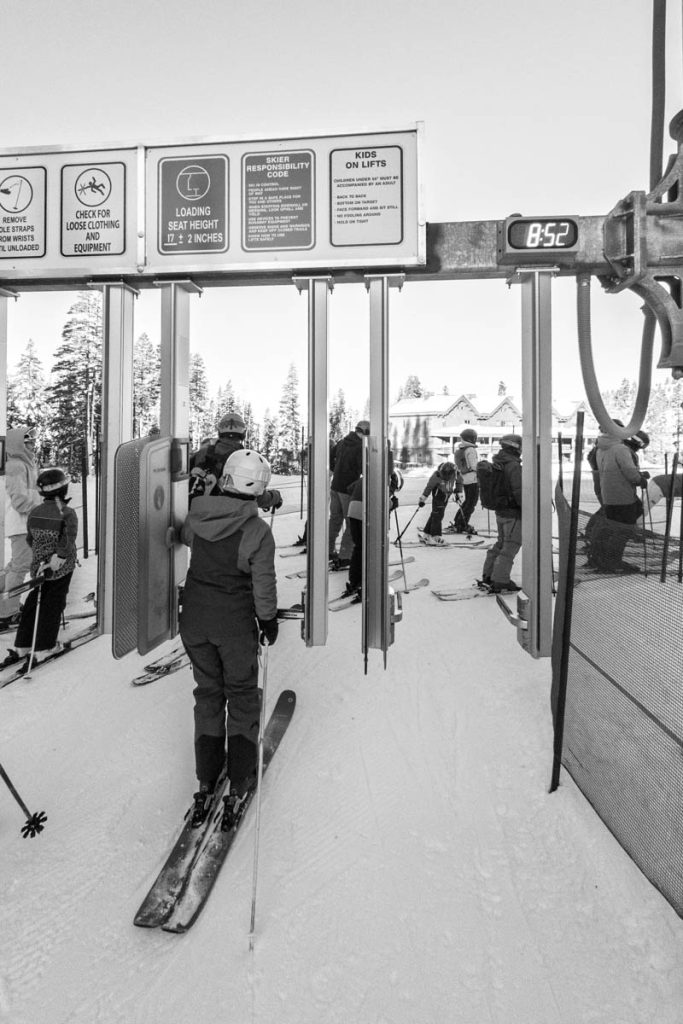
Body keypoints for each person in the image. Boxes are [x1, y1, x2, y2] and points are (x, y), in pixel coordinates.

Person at [179, 448, 279, 830]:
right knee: (241, 694)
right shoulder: (256, 532)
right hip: (234, 627)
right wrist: (267, 620)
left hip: (195, 623)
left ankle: (207, 777)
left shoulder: (197, 518)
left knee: (208, 693)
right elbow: (263, 584)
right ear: (258, 489)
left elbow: (183, 535)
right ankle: (239, 777)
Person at [5, 468, 78, 665]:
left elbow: (30, 538)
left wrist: (41, 555)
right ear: (63, 489)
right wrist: (59, 556)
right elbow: (68, 538)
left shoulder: (35, 512)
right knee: (52, 603)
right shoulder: (67, 513)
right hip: (60, 567)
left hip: (39, 566)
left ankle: (23, 643)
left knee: (34, 600)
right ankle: (44, 646)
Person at [189, 412, 282, 513]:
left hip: (194, 511)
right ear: (243, 433)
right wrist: (275, 497)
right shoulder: (242, 459)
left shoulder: (203, 452)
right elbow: (253, 493)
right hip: (225, 515)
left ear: (220, 431)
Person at [589, 429, 649, 573]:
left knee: (612, 528)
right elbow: (629, 473)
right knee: (623, 530)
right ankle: (613, 562)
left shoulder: (603, 448)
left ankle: (600, 559)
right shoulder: (621, 449)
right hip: (622, 497)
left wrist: (638, 475)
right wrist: (640, 479)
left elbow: (614, 470)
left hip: (609, 496)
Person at [0, 427, 41, 630]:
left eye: (33, 441)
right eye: (28, 442)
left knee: (15, 565)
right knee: (20, 566)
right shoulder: (16, 465)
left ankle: (5, 605)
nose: (33, 445)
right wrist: (42, 507)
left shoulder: (25, 463)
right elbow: (20, 500)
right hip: (21, 523)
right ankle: (7, 613)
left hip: (26, 523)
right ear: (18, 444)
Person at [480, 435, 523, 593]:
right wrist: (526, 508)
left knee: (501, 543)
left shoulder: (498, 462)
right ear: (515, 447)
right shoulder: (513, 466)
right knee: (510, 546)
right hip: (513, 513)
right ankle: (500, 580)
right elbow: (519, 490)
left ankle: (488, 574)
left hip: (501, 512)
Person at [329, 420, 369, 568]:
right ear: (364, 432)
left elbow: (330, 456)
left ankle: (328, 550)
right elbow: (364, 469)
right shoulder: (359, 446)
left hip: (335, 487)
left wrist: (336, 469)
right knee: (351, 523)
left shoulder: (342, 441)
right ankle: (345, 556)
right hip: (347, 489)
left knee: (335, 520)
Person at [447, 428, 479, 535]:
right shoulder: (471, 450)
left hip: (464, 479)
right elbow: (474, 466)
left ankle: (458, 522)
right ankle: (462, 524)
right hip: (473, 479)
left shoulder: (460, 450)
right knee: (471, 503)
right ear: (471, 438)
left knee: (467, 502)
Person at [417, 461, 457, 545]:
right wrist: (422, 499)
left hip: (446, 496)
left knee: (434, 514)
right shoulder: (436, 475)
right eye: (444, 474)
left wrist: (458, 492)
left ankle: (427, 535)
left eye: (448, 475)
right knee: (438, 515)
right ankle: (435, 536)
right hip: (438, 496)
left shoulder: (454, 473)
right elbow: (429, 487)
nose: (446, 476)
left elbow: (459, 481)